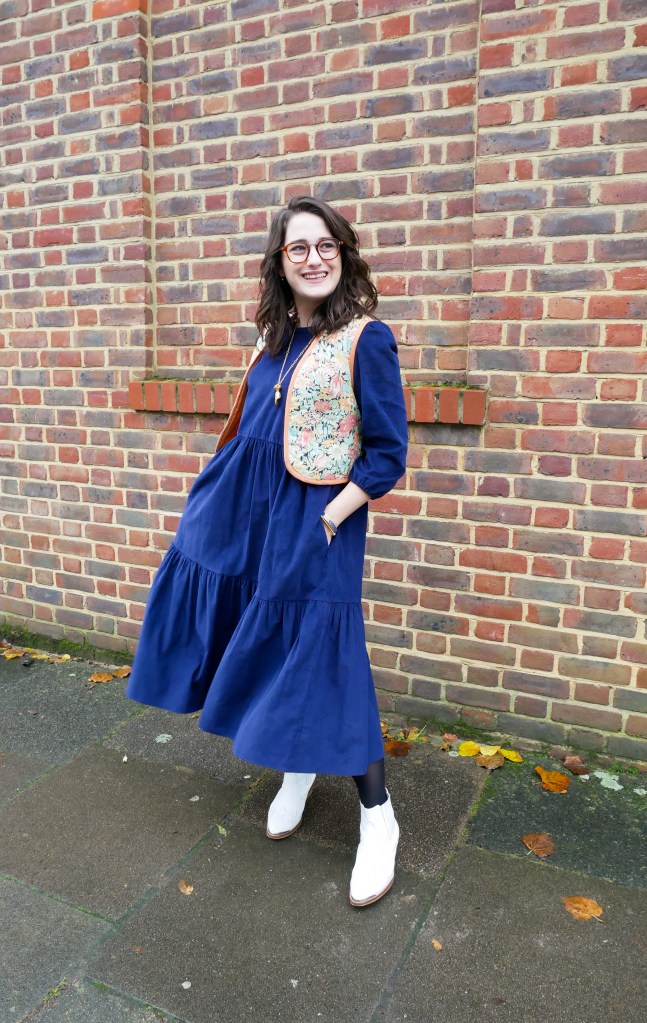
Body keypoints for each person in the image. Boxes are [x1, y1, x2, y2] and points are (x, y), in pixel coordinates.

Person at [126, 195, 408, 907]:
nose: (313, 258)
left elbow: (386, 454)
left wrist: (330, 519)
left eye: (325, 246)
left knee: (324, 655)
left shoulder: (366, 339)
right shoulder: (270, 339)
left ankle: (379, 818)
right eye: (298, 248)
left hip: (317, 519)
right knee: (257, 639)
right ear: (279, 263)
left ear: (342, 255)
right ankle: (298, 766)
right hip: (242, 514)